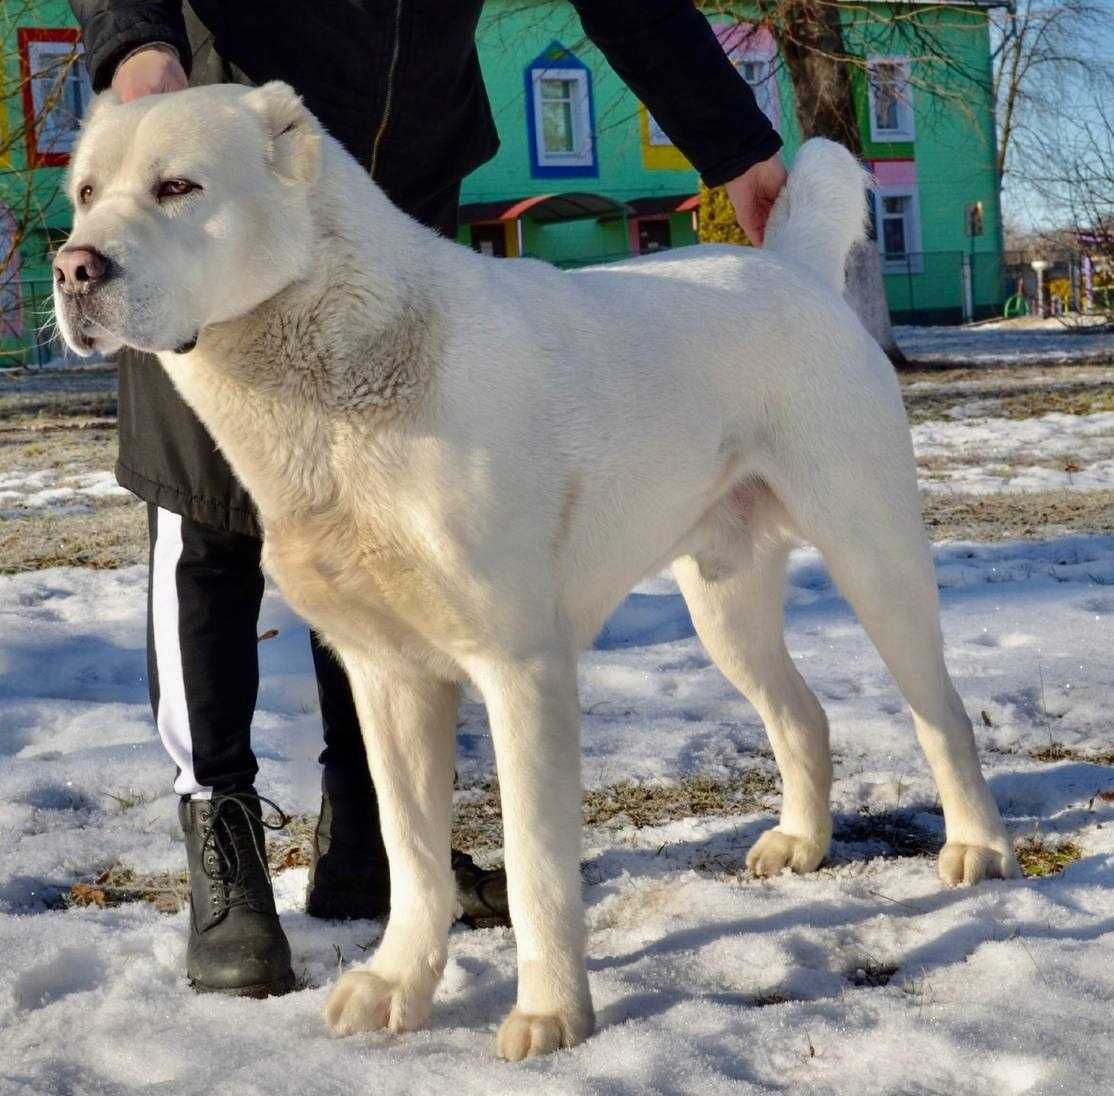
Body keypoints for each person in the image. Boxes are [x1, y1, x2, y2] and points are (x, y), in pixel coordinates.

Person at [69, 0, 787, 999]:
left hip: (394, 167)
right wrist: (137, 47)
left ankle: (379, 845)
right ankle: (219, 835)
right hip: (209, 149)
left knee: (397, 517)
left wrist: (733, 143)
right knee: (206, 509)